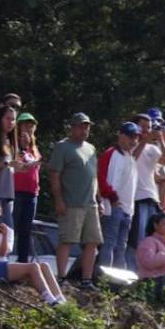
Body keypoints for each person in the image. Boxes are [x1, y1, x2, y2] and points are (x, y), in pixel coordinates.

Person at [0, 196, 64, 305]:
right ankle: (50, 300)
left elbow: (2, 254)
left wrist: (3, 236)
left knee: (45, 265)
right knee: (33, 267)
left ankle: (61, 300)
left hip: (2, 264)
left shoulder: (7, 230)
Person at [49, 113, 102, 289]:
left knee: (92, 241)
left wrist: (99, 200)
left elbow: (94, 176)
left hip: (90, 203)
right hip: (71, 202)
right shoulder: (63, 147)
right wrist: (59, 200)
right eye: (81, 126)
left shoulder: (91, 148)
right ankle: (62, 278)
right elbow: (55, 174)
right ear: (72, 127)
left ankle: (86, 280)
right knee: (67, 240)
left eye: (87, 126)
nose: (85, 130)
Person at [97, 122, 141, 269]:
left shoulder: (131, 158)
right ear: (121, 136)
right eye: (130, 136)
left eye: (136, 137)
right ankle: (104, 278)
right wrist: (112, 197)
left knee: (121, 246)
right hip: (113, 206)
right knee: (109, 243)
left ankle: (115, 283)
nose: (133, 140)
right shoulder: (111, 154)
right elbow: (101, 179)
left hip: (128, 209)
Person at [132, 110, 165, 250]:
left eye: (148, 127)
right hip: (137, 197)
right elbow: (132, 159)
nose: (146, 130)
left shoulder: (151, 148)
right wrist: (145, 139)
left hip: (152, 198)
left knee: (150, 239)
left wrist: (161, 139)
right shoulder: (130, 144)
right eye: (142, 126)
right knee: (138, 238)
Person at [12, 113, 42, 263]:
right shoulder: (12, 146)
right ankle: (4, 261)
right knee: (13, 227)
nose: (29, 129)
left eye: (31, 126)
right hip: (16, 192)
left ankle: (23, 262)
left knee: (26, 230)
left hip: (31, 193)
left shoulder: (34, 149)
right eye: (25, 125)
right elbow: (13, 165)